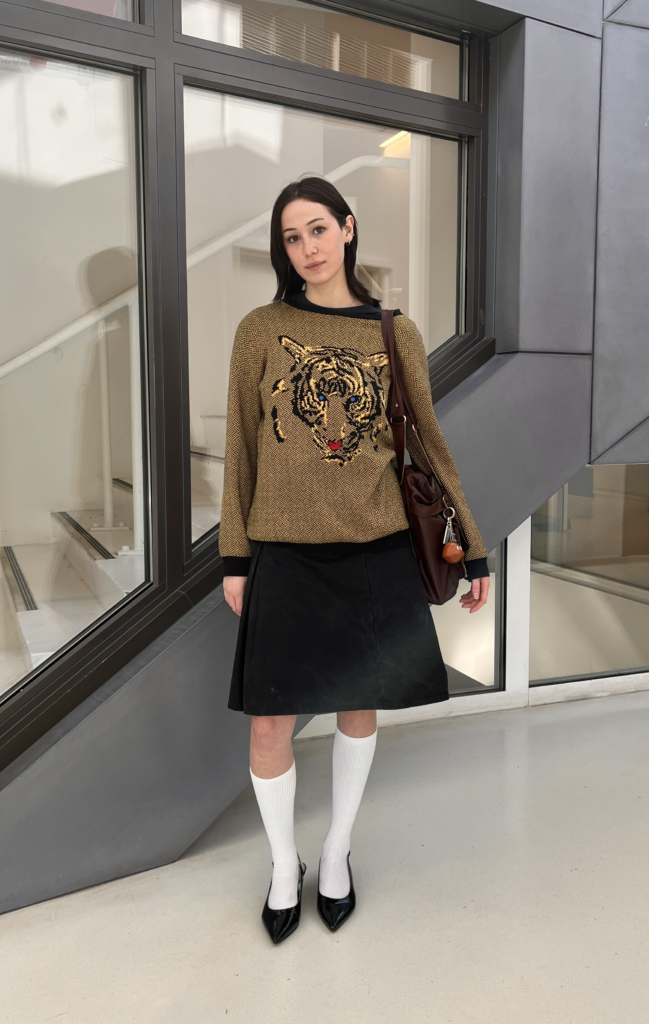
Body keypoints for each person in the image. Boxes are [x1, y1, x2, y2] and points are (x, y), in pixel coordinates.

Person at [220, 176, 489, 944]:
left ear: (347, 228)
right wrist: (236, 558)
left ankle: (336, 849)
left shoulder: (391, 332)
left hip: (374, 553)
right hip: (284, 555)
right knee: (269, 727)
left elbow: (430, 446)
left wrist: (471, 548)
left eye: (316, 230)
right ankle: (284, 864)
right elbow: (240, 447)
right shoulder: (260, 330)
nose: (304, 248)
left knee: (356, 709)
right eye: (290, 238)